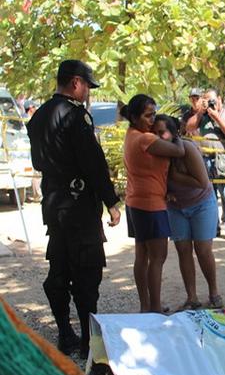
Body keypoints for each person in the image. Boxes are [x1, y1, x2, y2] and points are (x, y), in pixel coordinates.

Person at [27, 59, 121, 358]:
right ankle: (85, 340)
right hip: (79, 206)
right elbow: (92, 163)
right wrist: (112, 201)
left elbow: (39, 161)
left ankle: (65, 335)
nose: (87, 93)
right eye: (87, 87)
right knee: (86, 272)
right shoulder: (75, 116)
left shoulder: (40, 115)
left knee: (59, 268)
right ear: (76, 82)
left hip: (54, 203)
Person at [122, 94, 185, 313]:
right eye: (148, 116)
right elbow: (179, 151)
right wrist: (175, 133)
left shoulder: (131, 134)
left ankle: (146, 306)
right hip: (150, 204)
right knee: (157, 257)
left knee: (143, 256)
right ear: (134, 117)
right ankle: (155, 308)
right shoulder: (145, 139)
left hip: (135, 202)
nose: (152, 120)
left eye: (154, 115)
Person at [153, 115, 223, 310]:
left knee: (203, 250)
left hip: (202, 203)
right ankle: (191, 297)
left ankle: (214, 293)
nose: (157, 137)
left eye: (162, 132)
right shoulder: (155, 151)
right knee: (183, 251)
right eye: (154, 132)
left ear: (174, 133)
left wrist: (175, 176)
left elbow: (202, 182)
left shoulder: (188, 149)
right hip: (176, 208)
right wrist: (166, 192)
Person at [195, 88, 225, 241]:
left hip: (224, 159)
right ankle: (213, 228)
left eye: (212, 100)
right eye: (207, 101)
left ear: (220, 99)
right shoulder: (202, 115)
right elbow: (188, 128)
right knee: (209, 196)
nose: (210, 103)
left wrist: (216, 118)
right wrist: (199, 113)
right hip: (205, 159)